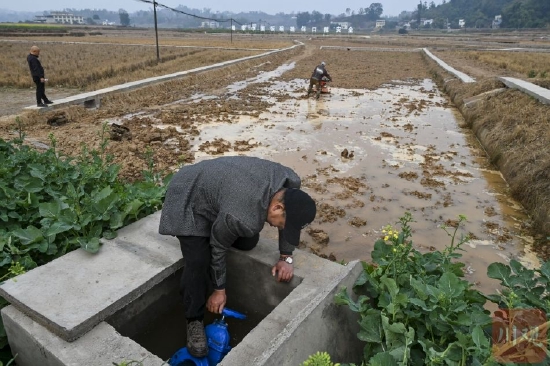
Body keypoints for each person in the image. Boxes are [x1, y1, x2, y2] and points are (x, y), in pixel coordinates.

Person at [159, 156, 316, 358]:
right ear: (277, 207)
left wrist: (286, 257)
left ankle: (219, 223)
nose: (281, 229)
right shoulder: (242, 215)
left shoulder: (289, 183)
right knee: (199, 261)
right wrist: (219, 290)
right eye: (282, 224)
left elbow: (288, 220)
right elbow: (217, 248)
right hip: (188, 195)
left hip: (220, 187)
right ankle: (194, 321)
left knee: (248, 241)